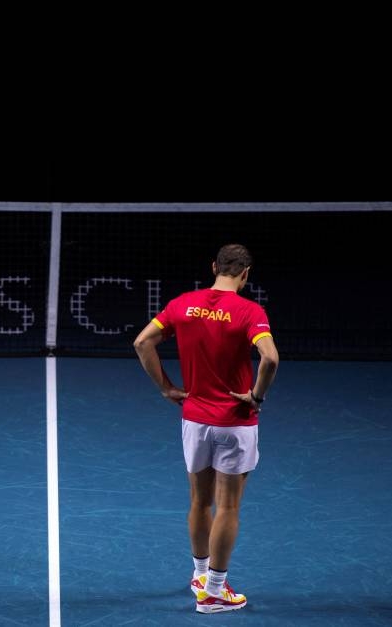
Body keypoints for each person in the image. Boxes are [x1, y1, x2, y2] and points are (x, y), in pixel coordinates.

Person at [133, 243, 279, 614]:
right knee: (228, 506)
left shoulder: (183, 304)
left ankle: (199, 575)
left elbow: (142, 342)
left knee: (200, 500)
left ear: (214, 266)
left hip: (194, 419)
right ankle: (214, 591)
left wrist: (166, 386)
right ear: (245, 274)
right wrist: (256, 397)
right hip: (234, 422)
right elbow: (270, 358)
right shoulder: (249, 311)